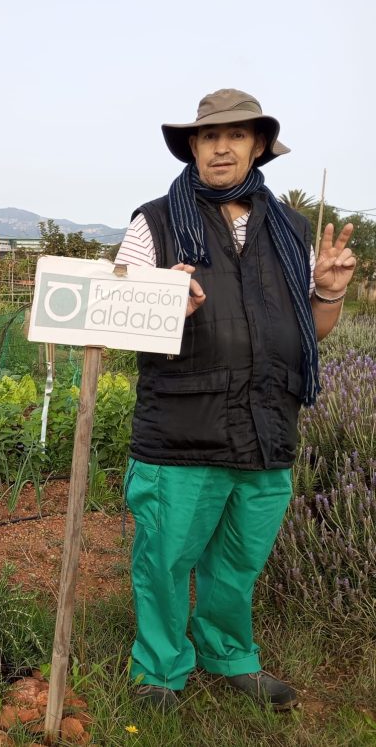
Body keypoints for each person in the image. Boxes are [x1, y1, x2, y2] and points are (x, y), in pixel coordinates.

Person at [113, 89, 356, 711]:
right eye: (208, 136)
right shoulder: (155, 222)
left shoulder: (290, 228)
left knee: (238, 560)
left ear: (257, 147)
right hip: (181, 427)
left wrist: (325, 293)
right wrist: (159, 298)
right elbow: (115, 314)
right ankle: (161, 670)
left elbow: (309, 333)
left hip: (268, 425)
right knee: (166, 558)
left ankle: (227, 654)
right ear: (193, 146)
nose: (222, 146)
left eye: (237, 135)